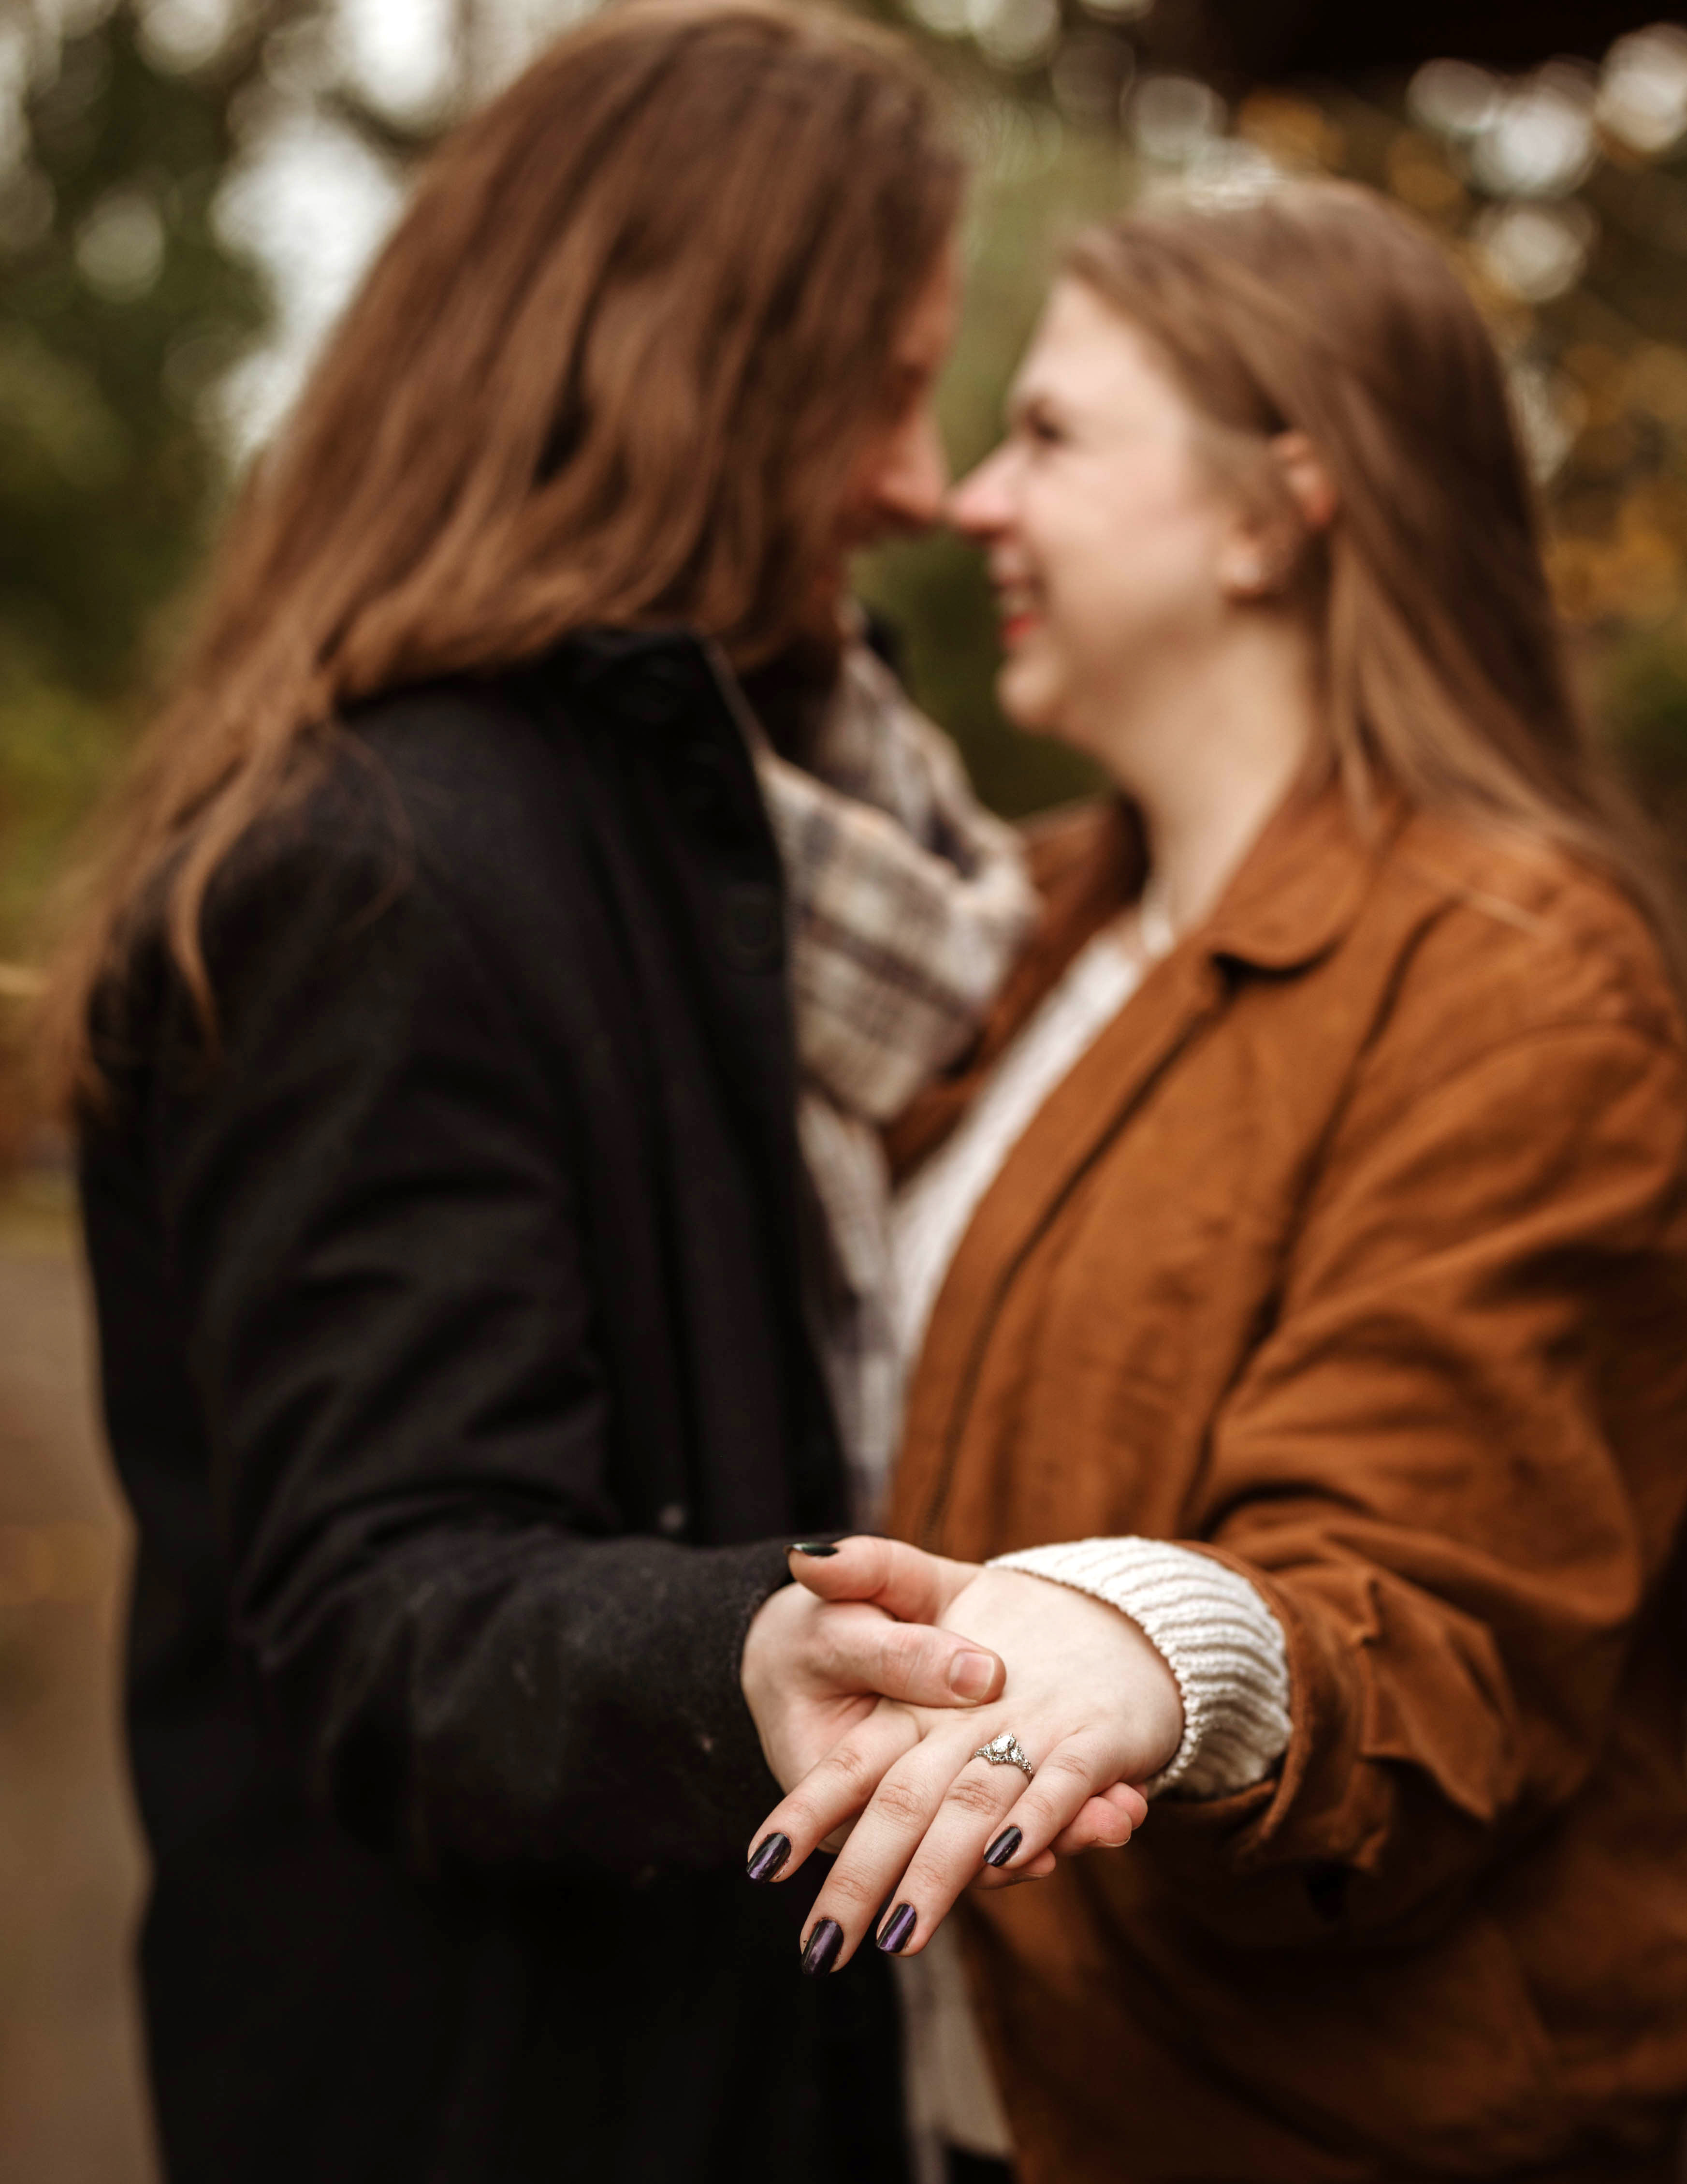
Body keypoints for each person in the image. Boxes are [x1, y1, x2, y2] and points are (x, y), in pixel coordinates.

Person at [44, 7, 1087, 2178]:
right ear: (706, 371)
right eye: (892, 390)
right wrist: (746, 1649)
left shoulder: (737, 840)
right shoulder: (381, 867)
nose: (918, 483)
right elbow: (384, 1602)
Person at [749, 180, 1687, 2184]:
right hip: (979, 2098)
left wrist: (1169, 1645)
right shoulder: (1035, 931)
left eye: (1054, 434)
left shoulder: (1519, 984)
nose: (974, 501)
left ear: (1275, 513)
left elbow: (1439, 1626)